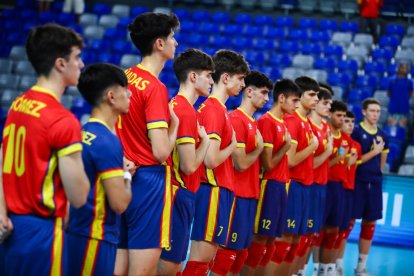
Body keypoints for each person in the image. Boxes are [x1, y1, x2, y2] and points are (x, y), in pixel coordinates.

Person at [0, 24, 89, 275]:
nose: (81, 65)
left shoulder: (18, 104)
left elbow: (2, 158)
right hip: (42, 232)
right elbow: (80, 195)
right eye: (77, 58)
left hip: (11, 227)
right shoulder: (62, 119)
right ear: (60, 64)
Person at [114, 12, 180, 275]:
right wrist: (174, 127)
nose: (176, 43)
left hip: (121, 173)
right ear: (159, 44)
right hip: (148, 181)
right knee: (142, 270)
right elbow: (162, 151)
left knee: (118, 266)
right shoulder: (155, 88)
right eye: (172, 37)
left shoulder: (123, 76)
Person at [182, 50, 249, 276]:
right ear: (226, 78)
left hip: (219, 190)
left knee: (208, 259)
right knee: (200, 259)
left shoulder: (219, 109)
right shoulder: (213, 109)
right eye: (240, 79)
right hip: (213, 190)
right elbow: (210, 159)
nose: (243, 84)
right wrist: (233, 146)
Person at [66, 63, 133, 276]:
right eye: (125, 88)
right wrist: (127, 175)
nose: (130, 94)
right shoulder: (107, 142)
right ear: (111, 96)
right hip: (95, 236)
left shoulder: (82, 131)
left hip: (75, 232)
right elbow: (120, 203)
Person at [157, 48, 213, 275]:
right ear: (193, 77)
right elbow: (189, 166)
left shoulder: (177, 105)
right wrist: (206, 142)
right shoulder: (186, 112)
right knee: (170, 266)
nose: (211, 81)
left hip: (174, 192)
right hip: (179, 193)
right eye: (208, 75)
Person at [210, 71, 271, 276]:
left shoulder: (252, 121)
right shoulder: (236, 119)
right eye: (263, 93)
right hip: (236, 196)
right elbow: (241, 164)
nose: (266, 99)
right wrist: (259, 149)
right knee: (226, 256)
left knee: (240, 256)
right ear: (250, 92)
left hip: (249, 196)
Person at [242, 79, 301, 276]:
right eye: (294, 100)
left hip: (282, 185)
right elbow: (267, 164)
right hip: (269, 185)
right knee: (259, 239)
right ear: (282, 98)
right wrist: (286, 147)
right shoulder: (267, 122)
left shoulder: (282, 123)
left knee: (271, 241)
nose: (297, 105)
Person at [266, 76, 319, 276]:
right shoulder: (293, 121)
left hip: (305, 186)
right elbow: (290, 160)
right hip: (292, 185)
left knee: (294, 242)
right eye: (311, 95)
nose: (315, 99)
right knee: (282, 243)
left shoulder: (305, 123)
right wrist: (313, 147)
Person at [351, 98, 389, 276]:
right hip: (356, 182)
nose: (376, 114)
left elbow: (381, 164)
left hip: (374, 184)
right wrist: (373, 151)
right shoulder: (356, 132)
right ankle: (335, 264)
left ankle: (361, 266)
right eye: (372, 111)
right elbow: (354, 162)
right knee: (348, 222)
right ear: (364, 112)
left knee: (370, 223)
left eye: (378, 111)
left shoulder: (383, 135)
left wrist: (375, 171)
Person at [319, 100, 352, 276]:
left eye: (343, 116)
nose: (341, 119)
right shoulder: (324, 134)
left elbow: (346, 166)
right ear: (330, 114)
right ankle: (312, 268)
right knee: (314, 232)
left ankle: (327, 270)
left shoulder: (346, 140)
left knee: (334, 230)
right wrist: (338, 157)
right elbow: (320, 164)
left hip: (338, 188)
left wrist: (345, 159)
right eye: (338, 115)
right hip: (323, 184)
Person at [307, 86, 333, 275]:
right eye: (325, 103)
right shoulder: (307, 125)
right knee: (298, 235)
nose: (328, 107)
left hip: (322, 185)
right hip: (309, 184)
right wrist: (329, 152)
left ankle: (307, 269)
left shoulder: (326, 127)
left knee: (311, 235)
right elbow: (308, 164)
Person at [335, 110, 361, 275]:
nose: (350, 125)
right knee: (329, 230)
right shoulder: (337, 142)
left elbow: (353, 169)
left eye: (352, 122)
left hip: (349, 189)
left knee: (344, 230)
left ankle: (339, 263)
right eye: (347, 121)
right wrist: (345, 161)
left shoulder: (356, 146)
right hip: (336, 188)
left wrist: (350, 163)